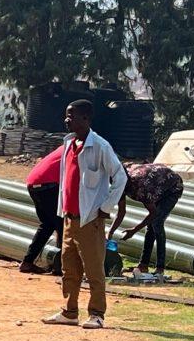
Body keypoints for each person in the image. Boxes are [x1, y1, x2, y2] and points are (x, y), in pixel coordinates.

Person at [42, 100, 126, 329]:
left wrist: (106, 207)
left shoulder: (100, 146)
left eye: (72, 116)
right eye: (66, 115)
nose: (67, 119)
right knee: (69, 266)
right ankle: (69, 312)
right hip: (69, 216)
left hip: (90, 218)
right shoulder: (70, 143)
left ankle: (97, 313)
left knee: (93, 268)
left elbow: (120, 178)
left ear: (86, 119)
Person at [108, 163, 184, 278]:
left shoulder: (141, 188)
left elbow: (152, 213)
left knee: (156, 223)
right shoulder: (119, 182)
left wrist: (134, 230)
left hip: (171, 187)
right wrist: (110, 232)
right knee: (151, 226)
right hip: (156, 184)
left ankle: (160, 268)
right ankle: (143, 265)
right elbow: (121, 211)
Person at [20, 144, 64, 274]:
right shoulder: (78, 149)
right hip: (48, 184)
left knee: (48, 224)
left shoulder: (66, 146)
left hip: (34, 182)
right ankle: (62, 266)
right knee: (63, 224)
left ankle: (27, 262)